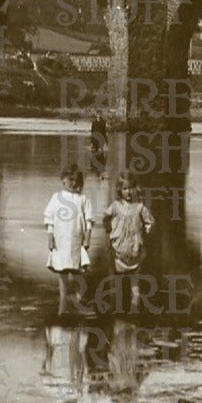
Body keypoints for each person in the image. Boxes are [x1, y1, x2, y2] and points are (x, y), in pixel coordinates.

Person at [43, 165, 93, 316]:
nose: (73, 184)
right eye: (69, 180)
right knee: (62, 270)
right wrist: (50, 236)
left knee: (77, 269)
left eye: (76, 181)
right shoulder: (56, 198)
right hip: (61, 239)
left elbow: (89, 220)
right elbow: (49, 218)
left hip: (77, 239)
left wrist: (88, 238)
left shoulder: (83, 199)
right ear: (63, 181)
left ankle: (79, 296)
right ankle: (63, 299)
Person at [103, 171, 154, 313]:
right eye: (125, 189)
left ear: (135, 189)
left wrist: (145, 233)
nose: (128, 192)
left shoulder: (140, 207)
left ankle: (134, 306)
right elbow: (105, 217)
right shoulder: (115, 206)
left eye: (131, 188)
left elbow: (149, 222)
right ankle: (117, 307)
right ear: (120, 190)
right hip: (118, 248)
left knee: (135, 280)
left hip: (134, 249)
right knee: (116, 278)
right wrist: (109, 229)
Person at [89, 110, 108, 175]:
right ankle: (94, 164)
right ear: (96, 115)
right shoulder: (94, 122)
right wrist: (91, 142)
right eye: (98, 114)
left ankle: (101, 164)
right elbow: (92, 132)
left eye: (100, 114)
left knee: (101, 153)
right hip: (95, 140)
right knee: (94, 153)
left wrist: (106, 141)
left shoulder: (103, 122)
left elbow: (104, 132)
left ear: (101, 114)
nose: (99, 115)